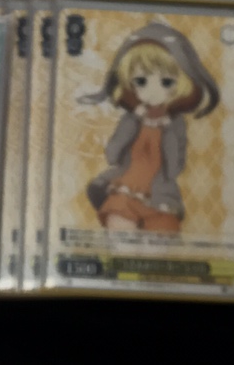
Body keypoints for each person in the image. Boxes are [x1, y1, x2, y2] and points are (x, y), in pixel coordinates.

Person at [82, 21, 221, 233]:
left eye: (166, 82)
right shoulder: (131, 119)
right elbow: (112, 154)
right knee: (121, 232)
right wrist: (133, 122)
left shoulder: (175, 124)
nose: (153, 92)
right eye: (141, 81)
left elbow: (174, 168)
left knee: (164, 235)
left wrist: (168, 131)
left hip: (160, 193)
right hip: (125, 186)